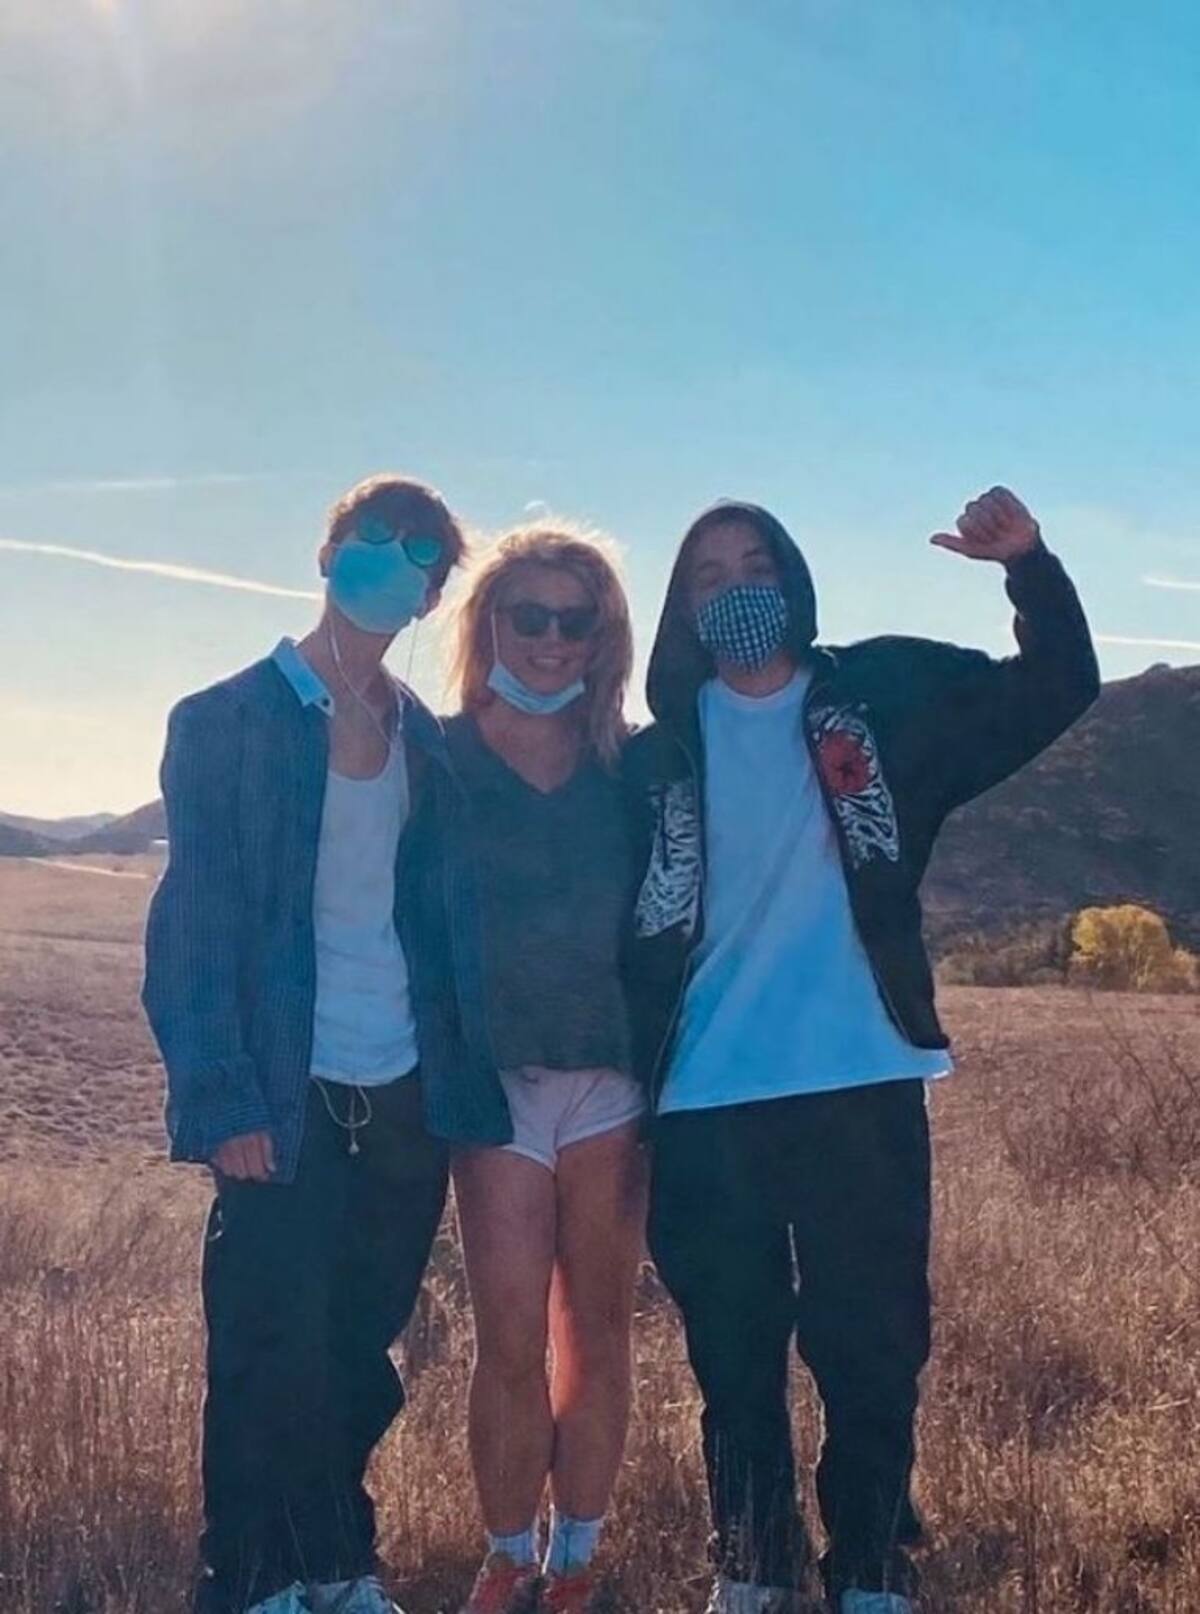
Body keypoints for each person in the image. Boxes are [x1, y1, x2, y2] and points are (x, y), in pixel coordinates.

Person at [622, 487, 1100, 1614]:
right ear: (680, 610)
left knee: (873, 1350)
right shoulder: (653, 761)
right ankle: (753, 1565)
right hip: (704, 1097)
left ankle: (872, 1567)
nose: (737, 592)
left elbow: (1056, 686)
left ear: (793, 580)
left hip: (862, 1078)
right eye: (708, 578)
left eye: (756, 567)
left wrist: (1028, 567)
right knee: (731, 1357)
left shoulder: (881, 699)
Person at [142, 474, 469, 1614]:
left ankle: (334, 1561)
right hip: (285, 1087)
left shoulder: (424, 738)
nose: (393, 559)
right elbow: (194, 924)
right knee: (265, 1345)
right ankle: (251, 1579)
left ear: (433, 598)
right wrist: (221, 1094)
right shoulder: (224, 720)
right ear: (328, 553)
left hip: (401, 1089)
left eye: (420, 553)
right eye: (374, 536)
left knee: (358, 1348)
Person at [427, 525, 646, 1614]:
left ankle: (577, 1563)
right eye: (531, 616)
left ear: (604, 636)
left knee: (596, 1332)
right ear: (489, 624)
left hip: (614, 1079)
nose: (554, 639)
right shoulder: (438, 756)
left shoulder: (632, 763)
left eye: (578, 619)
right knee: (509, 1337)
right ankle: (509, 1555)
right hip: (496, 1084)